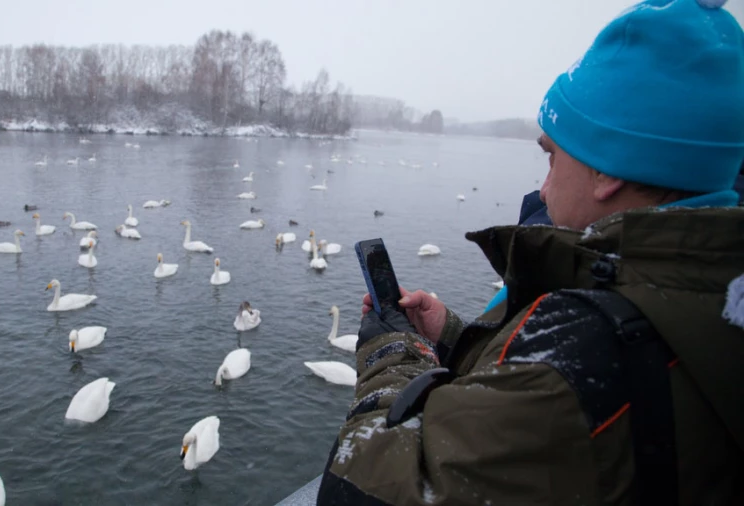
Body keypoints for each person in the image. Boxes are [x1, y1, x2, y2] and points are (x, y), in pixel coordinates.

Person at [317, 1, 744, 504]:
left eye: (551, 156)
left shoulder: (585, 354)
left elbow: (362, 487)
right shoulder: (707, 294)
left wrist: (393, 350)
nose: (541, 191)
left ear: (608, 171)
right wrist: (455, 338)